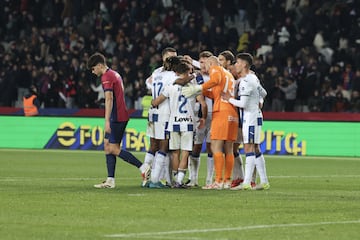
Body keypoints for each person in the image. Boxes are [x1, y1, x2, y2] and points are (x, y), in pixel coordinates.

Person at [87, 52, 149, 189]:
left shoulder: (106, 77)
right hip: (119, 115)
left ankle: (143, 167)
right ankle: (110, 180)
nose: (93, 72)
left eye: (93, 69)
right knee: (107, 146)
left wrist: (107, 121)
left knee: (113, 149)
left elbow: (109, 99)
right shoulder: (114, 74)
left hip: (117, 117)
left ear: (99, 65)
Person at [182, 56, 238, 189]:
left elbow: (215, 80)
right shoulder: (229, 74)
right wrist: (201, 90)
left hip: (221, 111)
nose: (206, 69)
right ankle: (227, 180)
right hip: (232, 112)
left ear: (211, 63)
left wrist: (198, 88)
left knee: (215, 146)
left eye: (206, 65)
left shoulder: (216, 69)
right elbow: (214, 93)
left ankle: (218, 181)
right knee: (228, 149)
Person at [151, 61, 206, 188]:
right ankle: (180, 181)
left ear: (176, 72)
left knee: (175, 153)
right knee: (185, 152)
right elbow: (203, 103)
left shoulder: (170, 86)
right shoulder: (193, 87)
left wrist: (152, 102)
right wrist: (202, 118)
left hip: (173, 122)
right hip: (187, 122)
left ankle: (175, 179)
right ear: (188, 72)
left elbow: (157, 101)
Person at [222, 53, 270, 190]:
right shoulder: (253, 77)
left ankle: (247, 182)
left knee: (249, 148)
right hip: (255, 115)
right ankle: (264, 181)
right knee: (255, 148)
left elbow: (242, 103)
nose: (235, 65)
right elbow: (264, 93)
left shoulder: (246, 81)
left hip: (250, 117)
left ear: (244, 64)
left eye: (237, 62)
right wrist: (259, 101)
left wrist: (228, 98)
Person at [183, 51, 214, 187]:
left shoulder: (217, 75)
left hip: (215, 116)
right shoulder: (196, 77)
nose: (202, 65)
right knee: (195, 148)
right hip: (198, 116)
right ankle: (193, 178)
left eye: (205, 62)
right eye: (200, 62)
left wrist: (194, 62)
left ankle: (209, 179)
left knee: (211, 148)